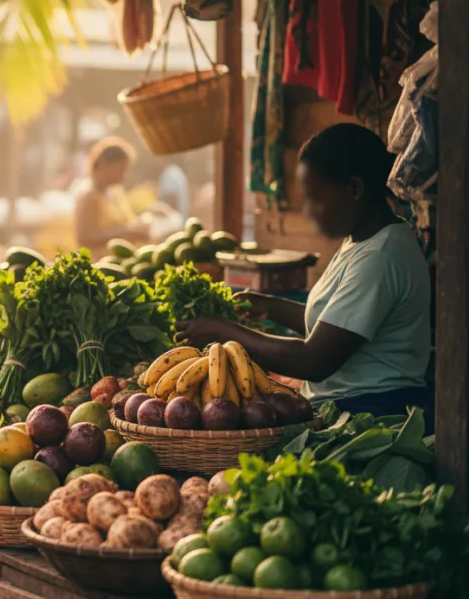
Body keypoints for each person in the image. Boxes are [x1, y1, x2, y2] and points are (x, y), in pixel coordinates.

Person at [178, 123, 431, 418]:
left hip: (372, 415)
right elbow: (337, 326)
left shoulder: (380, 256)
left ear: (354, 189)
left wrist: (226, 332)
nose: (308, 211)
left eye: (316, 199)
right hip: (346, 407)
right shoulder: (362, 240)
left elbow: (315, 359)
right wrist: (270, 307)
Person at [74, 137, 155, 255]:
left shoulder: (116, 192)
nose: (124, 174)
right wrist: (124, 231)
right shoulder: (89, 197)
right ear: (104, 164)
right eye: (121, 168)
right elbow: (84, 238)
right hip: (100, 265)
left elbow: (127, 221)